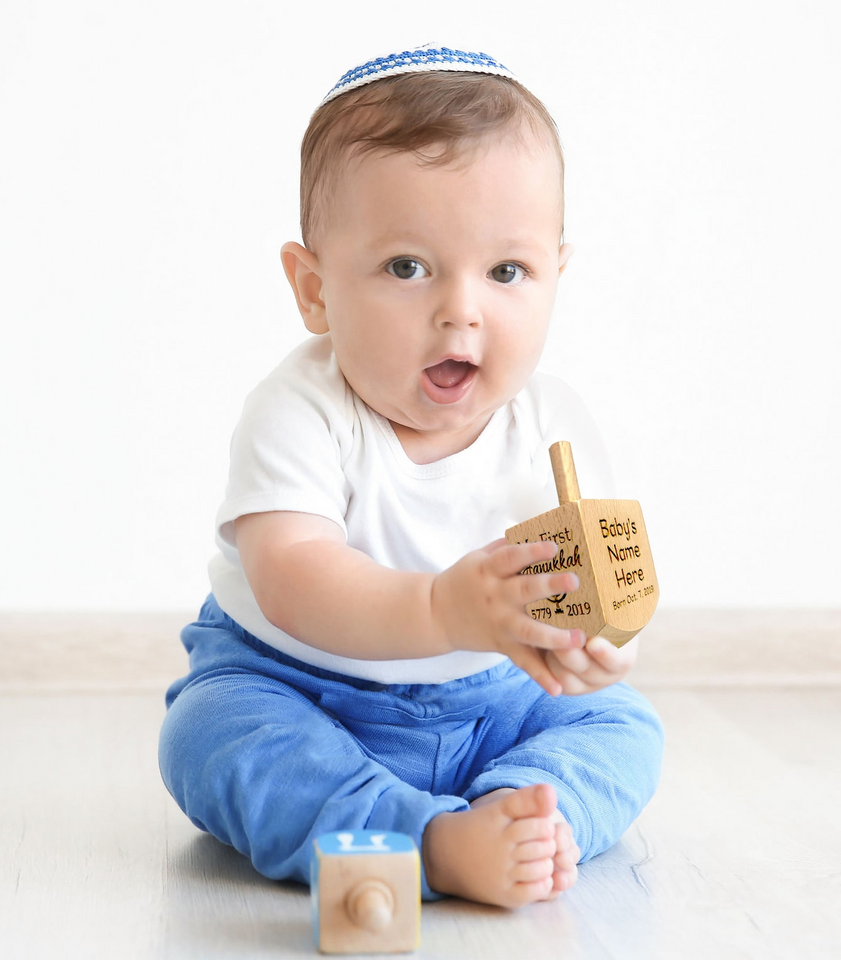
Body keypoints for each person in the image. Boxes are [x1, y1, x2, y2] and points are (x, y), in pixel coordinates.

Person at [159, 43, 663, 910]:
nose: (461, 308)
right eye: (407, 267)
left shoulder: (554, 425)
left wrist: (588, 644)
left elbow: (586, 577)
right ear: (314, 289)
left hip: (493, 698)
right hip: (303, 687)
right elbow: (292, 580)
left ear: (556, 277)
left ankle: (525, 811)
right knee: (209, 734)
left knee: (626, 730)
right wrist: (442, 609)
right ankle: (427, 839)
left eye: (507, 271)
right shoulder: (299, 412)